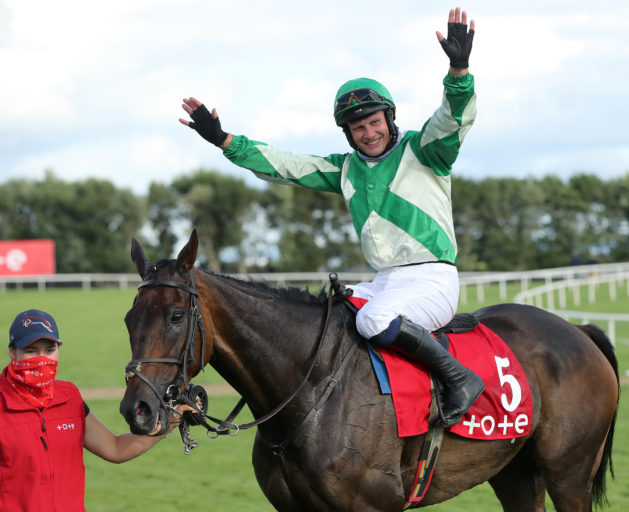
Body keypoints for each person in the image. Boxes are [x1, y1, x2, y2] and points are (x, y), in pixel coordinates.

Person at [179, 7, 483, 427]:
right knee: (331, 316)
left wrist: (459, 69)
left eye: (374, 122)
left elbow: (453, 116)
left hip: (433, 280)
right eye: (358, 128)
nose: (369, 133)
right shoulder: (344, 169)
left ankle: (459, 377)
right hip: (385, 282)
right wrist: (225, 141)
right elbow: (284, 164)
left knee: (374, 320)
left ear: (389, 118)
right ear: (347, 133)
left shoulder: (426, 150)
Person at [0, 308, 183, 511]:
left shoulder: (69, 397)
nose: (42, 358)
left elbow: (115, 448)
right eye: (31, 351)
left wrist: (173, 419)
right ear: (12, 352)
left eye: (49, 350)